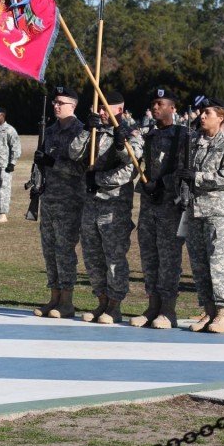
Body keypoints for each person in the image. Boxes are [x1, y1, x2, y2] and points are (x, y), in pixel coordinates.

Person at [177, 97, 224, 334]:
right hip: (195, 211)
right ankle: (208, 311)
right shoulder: (195, 143)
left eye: (208, 112)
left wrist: (197, 178)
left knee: (220, 265)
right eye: (201, 112)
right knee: (199, 265)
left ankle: (222, 313)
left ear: (221, 117)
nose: (202, 116)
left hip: (220, 214)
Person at [69, 90, 143, 324]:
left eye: (105, 108)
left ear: (118, 110)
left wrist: (99, 179)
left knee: (113, 258)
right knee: (92, 257)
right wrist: (84, 130)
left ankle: (114, 305)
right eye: (98, 107)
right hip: (90, 205)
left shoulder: (131, 133)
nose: (100, 112)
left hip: (114, 206)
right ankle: (101, 300)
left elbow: (130, 168)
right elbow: (73, 153)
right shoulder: (93, 131)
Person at [131, 88, 187, 329]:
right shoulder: (148, 135)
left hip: (170, 206)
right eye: (153, 103)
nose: (155, 107)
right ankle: (152, 305)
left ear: (172, 108)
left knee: (169, 259)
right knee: (149, 257)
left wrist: (162, 183)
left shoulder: (183, 136)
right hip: (149, 206)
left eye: (160, 104)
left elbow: (186, 171)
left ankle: (168, 309)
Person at [32, 86, 86, 319]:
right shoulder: (50, 130)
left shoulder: (81, 132)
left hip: (70, 200)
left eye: (61, 103)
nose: (56, 106)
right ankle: (53, 296)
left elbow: (81, 168)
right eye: (55, 102)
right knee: (49, 251)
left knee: (65, 251)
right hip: (49, 198)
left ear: (72, 106)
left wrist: (53, 163)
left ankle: (66, 300)